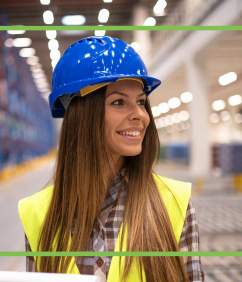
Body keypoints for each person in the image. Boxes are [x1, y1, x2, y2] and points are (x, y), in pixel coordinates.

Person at [18, 36, 204, 282]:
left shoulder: (175, 203)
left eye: (141, 102)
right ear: (83, 116)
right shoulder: (39, 213)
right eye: (119, 102)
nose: (141, 115)